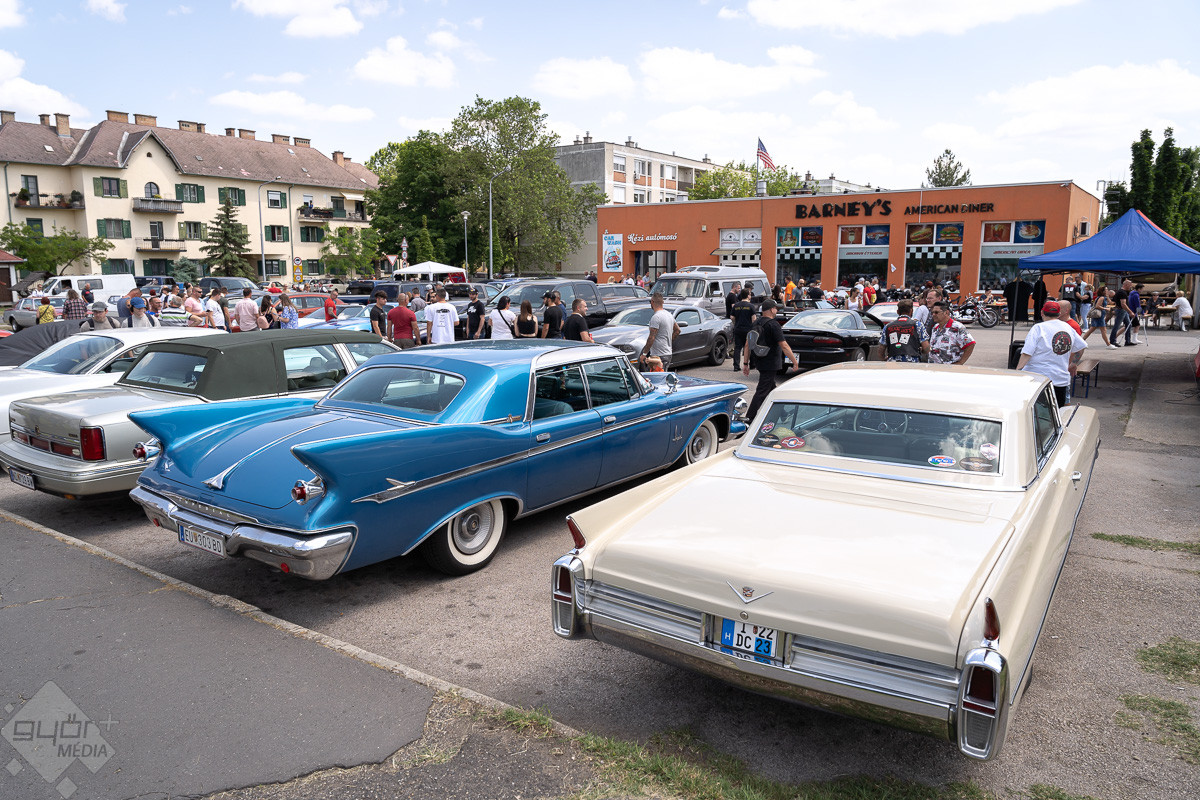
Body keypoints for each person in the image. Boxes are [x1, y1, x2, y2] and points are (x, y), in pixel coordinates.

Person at [1018, 300, 1087, 407]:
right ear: (1058, 314)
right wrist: (1073, 364)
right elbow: (1081, 346)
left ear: (1042, 312)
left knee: (1035, 411)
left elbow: (1027, 353)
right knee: (1057, 411)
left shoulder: (1038, 328)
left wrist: (1018, 371)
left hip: (1037, 378)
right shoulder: (1068, 328)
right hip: (1060, 380)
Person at [742, 299, 797, 422]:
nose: (776, 310)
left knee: (771, 388)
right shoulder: (774, 325)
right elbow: (784, 345)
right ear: (772, 309)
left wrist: (746, 363)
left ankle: (783, 414)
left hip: (759, 360)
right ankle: (749, 417)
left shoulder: (756, 323)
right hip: (771, 362)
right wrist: (794, 361)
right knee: (762, 390)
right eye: (776, 308)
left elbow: (747, 344)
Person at [927, 301, 975, 365]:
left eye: (936, 312)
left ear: (946, 312)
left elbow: (971, 344)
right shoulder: (935, 327)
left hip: (949, 368)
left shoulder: (957, 327)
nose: (933, 315)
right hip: (934, 367)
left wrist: (961, 362)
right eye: (932, 312)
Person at [641, 292, 679, 371]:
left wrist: (644, 354)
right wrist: (668, 341)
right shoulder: (669, 315)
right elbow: (677, 330)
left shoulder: (656, 317)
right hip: (668, 353)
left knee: (656, 376)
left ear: (652, 302)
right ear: (662, 302)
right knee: (662, 375)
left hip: (658, 355)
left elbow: (651, 337)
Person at [730, 288, 755, 372]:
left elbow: (732, 317)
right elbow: (754, 319)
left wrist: (736, 322)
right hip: (748, 330)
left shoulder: (736, 305)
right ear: (748, 295)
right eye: (750, 294)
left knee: (737, 348)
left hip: (738, 329)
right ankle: (752, 364)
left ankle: (736, 366)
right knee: (750, 347)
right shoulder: (751, 306)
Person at [1110, 279, 1134, 347]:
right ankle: (1112, 340)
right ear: (1126, 285)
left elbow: (1114, 301)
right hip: (1121, 310)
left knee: (1128, 324)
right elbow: (1123, 304)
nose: (1130, 287)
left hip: (1122, 310)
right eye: (1130, 285)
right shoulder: (1122, 293)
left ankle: (1128, 340)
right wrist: (1130, 312)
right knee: (1117, 325)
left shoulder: (1120, 292)